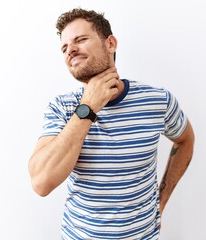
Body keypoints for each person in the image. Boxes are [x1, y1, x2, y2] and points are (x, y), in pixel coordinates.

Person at [28, 7, 195, 240]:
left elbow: (185, 140)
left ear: (110, 44)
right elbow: (41, 182)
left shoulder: (158, 100)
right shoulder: (62, 108)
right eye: (64, 48)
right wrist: (88, 107)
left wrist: (161, 200)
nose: (70, 50)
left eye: (81, 39)